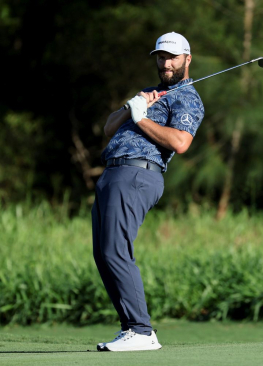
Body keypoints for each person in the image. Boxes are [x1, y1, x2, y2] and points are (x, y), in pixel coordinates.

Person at [92, 32, 204, 352]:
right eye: (160, 56)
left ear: (187, 59)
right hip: (112, 173)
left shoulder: (187, 97)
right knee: (103, 254)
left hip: (137, 174)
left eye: (172, 57)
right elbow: (108, 127)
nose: (165, 62)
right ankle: (131, 328)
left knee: (115, 250)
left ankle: (141, 331)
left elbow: (181, 142)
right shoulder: (149, 92)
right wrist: (132, 106)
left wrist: (140, 119)